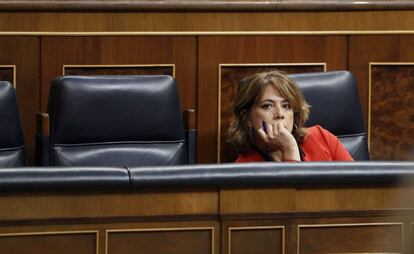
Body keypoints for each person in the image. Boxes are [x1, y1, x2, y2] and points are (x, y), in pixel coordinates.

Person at [227, 70, 353, 162]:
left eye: (286, 106)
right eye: (267, 106)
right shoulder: (245, 168)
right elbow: (295, 198)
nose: (280, 114)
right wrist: (289, 148)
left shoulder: (323, 138)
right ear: (247, 118)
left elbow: (359, 189)